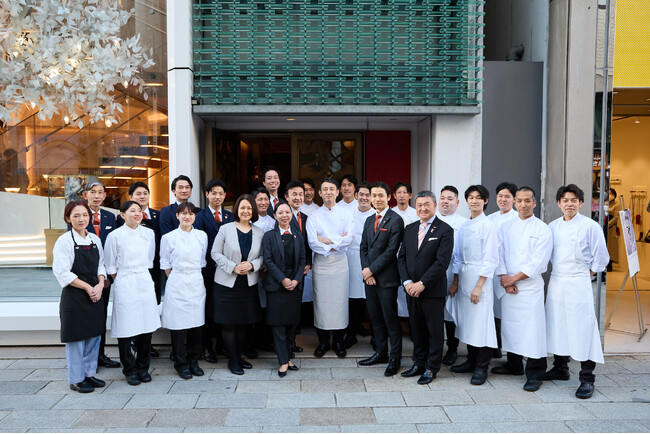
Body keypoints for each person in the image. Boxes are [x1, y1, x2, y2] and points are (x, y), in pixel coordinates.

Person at [540, 184, 608, 399]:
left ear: (580, 202)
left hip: (579, 282)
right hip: (557, 281)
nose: (569, 204)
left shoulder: (590, 226)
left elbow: (602, 257)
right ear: (559, 204)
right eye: (565, 200)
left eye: (573, 200)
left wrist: (586, 274)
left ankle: (587, 378)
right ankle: (561, 367)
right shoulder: (552, 226)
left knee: (582, 328)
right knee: (558, 324)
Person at [493, 187, 552, 392]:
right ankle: (514, 364)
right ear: (515, 203)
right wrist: (504, 279)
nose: (523, 205)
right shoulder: (506, 227)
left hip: (529, 287)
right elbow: (498, 254)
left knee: (532, 330)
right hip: (510, 287)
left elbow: (538, 263)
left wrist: (513, 280)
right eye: (520, 201)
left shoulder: (542, 229)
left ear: (534, 203)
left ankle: (535, 372)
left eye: (528, 201)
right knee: (511, 328)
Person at [397, 191, 454, 384]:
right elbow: (402, 257)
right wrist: (407, 283)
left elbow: (441, 263)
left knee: (434, 330)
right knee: (416, 329)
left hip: (432, 290)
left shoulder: (445, 230)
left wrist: (422, 284)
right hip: (411, 290)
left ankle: (432, 367)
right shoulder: (410, 228)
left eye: (427, 204)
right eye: (419, 204)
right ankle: (418, 362)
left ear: (435, 205)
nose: (423, 208)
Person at [53, 200, 107, 393]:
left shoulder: (94, 239)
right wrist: (87, 287)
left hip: (94, 293)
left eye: (84, 215)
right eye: (76, 216)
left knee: (94, 336)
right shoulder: (64, 241)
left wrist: (100, 285)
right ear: (68, 219)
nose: (81, 219)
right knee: (76, 339)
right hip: (75, 295)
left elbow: (101, 265)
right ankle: (76, 379)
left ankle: (89, 374)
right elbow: (62, 272)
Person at [104, 201, 160, 386]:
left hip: (144, 279)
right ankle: (129, 368)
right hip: (125, 280)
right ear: (122, 215)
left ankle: (143, 367)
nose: (137, 214)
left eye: (139, 210)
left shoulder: (149, 233)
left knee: (146, 325)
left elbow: (150, 258)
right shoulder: (115, 236)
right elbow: (110, 263)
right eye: (132, 211)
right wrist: (120, 278)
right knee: (127, 327)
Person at [448, 185, 499, 386]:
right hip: (465, 278)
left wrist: (479, 286)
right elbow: (458, 256)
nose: (474, 201)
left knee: (482, 323)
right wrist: (455, 281)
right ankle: (470, 360)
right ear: (466, 201)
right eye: (471, 197)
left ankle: (481, 367)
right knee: (467, 322)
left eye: (479, 197)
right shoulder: (464, 226)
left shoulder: (488, 226)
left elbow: (491, 259)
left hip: (480, 279)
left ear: (486, 201)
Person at [211, 194, 264, 375]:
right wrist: (232, 267)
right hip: (226, 284)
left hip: (248, 284)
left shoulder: (259, 232)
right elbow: (215, 253)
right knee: (229, 324)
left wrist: (251, 266)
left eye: (249, 208)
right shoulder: (225, 229)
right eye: (242, 207)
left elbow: (263, 258)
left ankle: (239, 356)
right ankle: (233, 360)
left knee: (244, 323)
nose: (246, 211)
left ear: (253, 211)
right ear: (236, 210)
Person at [359, 182, 405, 376]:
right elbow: (363, 248)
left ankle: (395, 358)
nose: (376, 199)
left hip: (386, 279)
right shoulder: (369, 220)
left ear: (389, 197)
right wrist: (366, 271)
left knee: (390, 319)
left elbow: (391, 251)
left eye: (380, 195)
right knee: (375, 319)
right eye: (373, 195)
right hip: (369, 279)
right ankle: (380, 352)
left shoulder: (396, 220)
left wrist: (371, 271)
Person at [306, 178, 354, 358]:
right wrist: (336, 241)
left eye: (331, 189)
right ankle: (324, 341)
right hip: (321, 264)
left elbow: (349, 239)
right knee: (322, 303)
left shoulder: (347, 213)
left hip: (340, 263)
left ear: (337, 192)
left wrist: (326, 240)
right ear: (320, 193)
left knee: (340, 303)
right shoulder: (314, 215)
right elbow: (312, 242)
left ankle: (339, 341)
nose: (328, 192)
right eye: (324, 189)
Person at [160, 202, 208, 379]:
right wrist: (177, 277)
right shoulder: (169, 237)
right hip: (177, 281)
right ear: (177, 216)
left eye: (191, 214)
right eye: (183, 213)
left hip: (196, 280)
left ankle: (194, 360)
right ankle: (180, 363)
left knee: (196, 323)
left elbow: (202, 260)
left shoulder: (202, 236)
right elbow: (165, 263)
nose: (187, 216)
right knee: (178, 325)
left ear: (195, 216)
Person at [262, 203, 306, 377]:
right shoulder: (269, 236)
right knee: (278, 325)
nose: (284, 215)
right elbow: (268, 260)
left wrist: (296, 279)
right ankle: (282, 361)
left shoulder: (297, 235)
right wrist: (283, 279)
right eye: (280, 212)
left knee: (291, 324)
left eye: (287, 212)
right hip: (276, 286)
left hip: (294, 286)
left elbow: (302, 259)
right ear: (275, 216)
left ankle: (287, 357)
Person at [194, 179, 234, 363]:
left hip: (226, 272)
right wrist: (214, 261)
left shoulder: (230, 217)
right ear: (207, 194)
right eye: (214, 193)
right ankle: (207, 347)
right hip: (207, 272)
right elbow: (199, 245)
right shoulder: (199, 217)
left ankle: (222, 345)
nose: (217, 196)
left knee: (222, 310)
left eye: (221, 193)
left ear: (225, 196)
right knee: (208, 310)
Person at [82, 181, 120, 369]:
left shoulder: (110, 217)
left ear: (105, 196)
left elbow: (113, 248)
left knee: (101, 314)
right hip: (84, 276)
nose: (96, 196)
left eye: (100, 193)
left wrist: (107, 277)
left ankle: (100, 355)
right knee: (87, 316)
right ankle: (88, 358)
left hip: (104, 277)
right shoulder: (79, 214)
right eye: (93, 192)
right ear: (85, 195)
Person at [434, 185, 468, 366]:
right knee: (435, 314)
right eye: (442, 198)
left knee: (451, 315)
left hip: (451, 275)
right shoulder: (431, 219)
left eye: (450, 198)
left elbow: (461, 254)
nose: (445, 201)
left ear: (457, 202)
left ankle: (453, 349)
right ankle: (435, 349)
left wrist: (455, 280)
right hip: (432, 276)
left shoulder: (463, 223)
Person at [487, 181, 518, 359]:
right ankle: (495, 346)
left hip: (509, 273)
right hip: (491, 272)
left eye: (507, 196)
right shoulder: (490, 219)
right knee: (492, 310)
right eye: (500, 196)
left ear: (514, 199)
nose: (503, 199)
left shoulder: (517, 219)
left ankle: (511, 352)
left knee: (507, 312)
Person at [344, 182, 374, 349]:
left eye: (367, 195)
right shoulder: (348, 213)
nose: (364, 198)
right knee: (353, 297)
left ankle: (376, 336)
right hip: (351, 258)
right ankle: (351, 332)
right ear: (356, 196)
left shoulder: (377, 214)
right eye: (361, 194)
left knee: (372, 297)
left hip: (372, 259)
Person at [285, 180, 313, 353]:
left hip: (301, 270)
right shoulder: (282, 215)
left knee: (296, 308)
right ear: (286, 197)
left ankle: (292, 341)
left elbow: (307, 243)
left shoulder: (306, 217)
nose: (298, 197)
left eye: (300, 194)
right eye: (294, 194)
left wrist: (308, 262)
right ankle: (286, 344)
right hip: (287, 271)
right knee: (287, 308)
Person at [392, 182, 420, 319]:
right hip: (392, 256)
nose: (402, 195)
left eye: (405, 192)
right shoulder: (390, 213)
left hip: (410, 257)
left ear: (410, 195)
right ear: (394, 195)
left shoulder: (416, 214)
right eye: (399, 192)